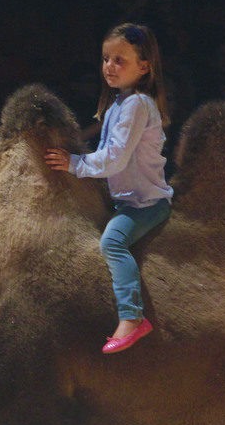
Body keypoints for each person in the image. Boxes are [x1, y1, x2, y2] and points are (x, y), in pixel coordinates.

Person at [45, 23, 172, 354]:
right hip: (125, 202)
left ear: (144, 67)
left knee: (112, 242)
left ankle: (132, 317)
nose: (109, 67)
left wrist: (74, 163)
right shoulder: (118, 104)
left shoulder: (137, 105)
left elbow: (114, 160)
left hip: (146, 204)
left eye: (120, 60)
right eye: (106, 59)